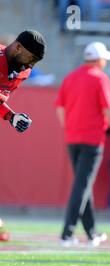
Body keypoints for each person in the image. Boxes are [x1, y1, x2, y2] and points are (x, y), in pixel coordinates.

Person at [55, 42, 110, 247]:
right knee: (82, 185)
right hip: (92, 139)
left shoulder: (70, 77)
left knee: (83, 184)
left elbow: (60, 108)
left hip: (72, 138)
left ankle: (92, 232)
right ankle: (67, 234)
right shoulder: (100, 78)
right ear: (98, 60)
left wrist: (69, 127)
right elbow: (109, 110)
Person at [0, 30, 46, 242]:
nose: (31, 67)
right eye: (31, 59)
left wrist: (11, 116)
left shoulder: (22, 72)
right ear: (17, 47)